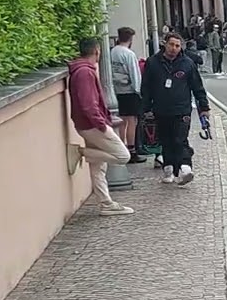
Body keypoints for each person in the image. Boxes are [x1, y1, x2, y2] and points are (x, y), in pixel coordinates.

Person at [69, 37, 134, 215]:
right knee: (122, 156)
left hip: (87, 124)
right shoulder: (84, 72)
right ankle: (81, 152)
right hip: (92, 126)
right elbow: (88, 104)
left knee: (98, 166)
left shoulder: (83, 70)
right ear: (97, 51)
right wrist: (102, 125)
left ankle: (106, 203)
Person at [141, 32, 209, 186]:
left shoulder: (187, 64)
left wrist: (204, 107)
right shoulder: (152, 63)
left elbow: (197, 87)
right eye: (171, 44)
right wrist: (146, 109)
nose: (174, 48)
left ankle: (185, 168)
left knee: (180, 138)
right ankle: (169, 169)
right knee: (166, 140)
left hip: (182, 109)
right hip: (160, 109)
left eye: (177, 46)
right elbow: (146, 88)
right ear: (165, 44)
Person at [109, 26, 146, 163]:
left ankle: (122, 146)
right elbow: (135, 74)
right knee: (132, 121)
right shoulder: (129, 54)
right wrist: (139, 91)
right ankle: (132, 150)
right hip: (129, 91)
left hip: (117, 90)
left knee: (122, 121)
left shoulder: (112, 52)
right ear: (130, 39)